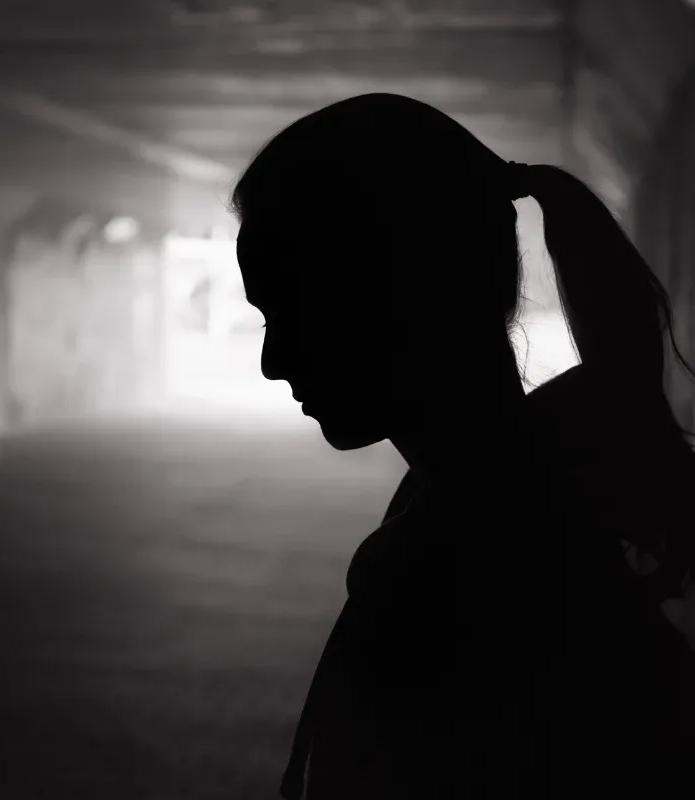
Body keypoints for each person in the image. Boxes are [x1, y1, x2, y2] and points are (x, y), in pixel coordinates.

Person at [231, 93, 695, 798]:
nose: (272, 360)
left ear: (394, 295)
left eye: (290, 311)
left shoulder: (458, 580)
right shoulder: (543, 505)